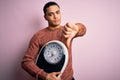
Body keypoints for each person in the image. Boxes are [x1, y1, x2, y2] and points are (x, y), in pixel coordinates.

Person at [21, 1, 86, 80]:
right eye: (51, 14)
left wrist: (78, 28)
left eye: (57, 12)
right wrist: (45, 76)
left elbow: (83, 30)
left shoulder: (68, 30)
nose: (55, 16)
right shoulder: (38, 36)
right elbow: (26, 62)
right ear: (45, 17)